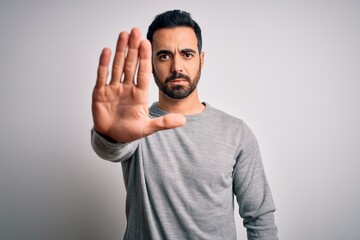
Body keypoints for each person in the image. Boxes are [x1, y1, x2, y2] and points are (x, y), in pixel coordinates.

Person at [91, 9, 278, 240]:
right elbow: (111, 148)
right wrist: (110, 134)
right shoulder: (137, 127)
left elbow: (260, 219)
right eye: (164, 56)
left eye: (187, 54)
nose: (176, 66)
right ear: (150, 64)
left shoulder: (236, 133)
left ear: (201, 60)